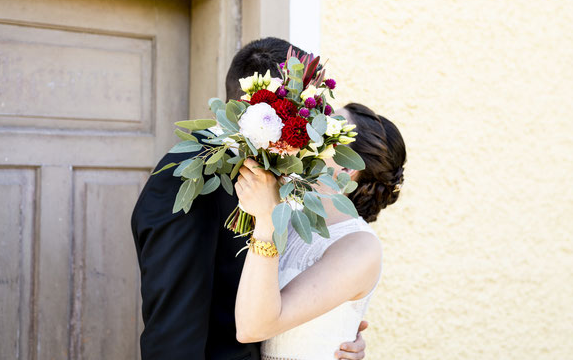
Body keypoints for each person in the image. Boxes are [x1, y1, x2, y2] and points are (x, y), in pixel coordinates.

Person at [131, 38, 368, 360]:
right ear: (276, 102)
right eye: (306, 104)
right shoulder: (191, 177)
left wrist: (331, 334)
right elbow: (173, 325)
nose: (313, 121)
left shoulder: (279, 173)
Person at [234, 103, 406, 359]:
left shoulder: (360, 248)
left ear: (346, 168)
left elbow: (253, 328)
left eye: (324, 130)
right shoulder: (288, 212)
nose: (308, 131)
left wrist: (266, 222)